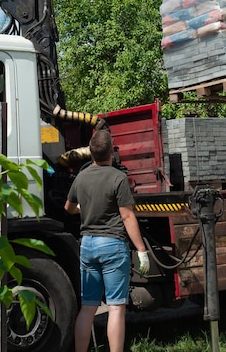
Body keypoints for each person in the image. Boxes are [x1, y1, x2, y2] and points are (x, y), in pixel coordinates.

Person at [64, 129, 150, 352]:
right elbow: (127, 216)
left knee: (88, 308)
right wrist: (141, 250)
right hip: (112, 245)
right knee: (115, 307)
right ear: (112, 152)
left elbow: (68, 207)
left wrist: (83, 208)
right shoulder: (117, 177)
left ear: (91, 153)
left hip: (88, 245)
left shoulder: (81, 177)